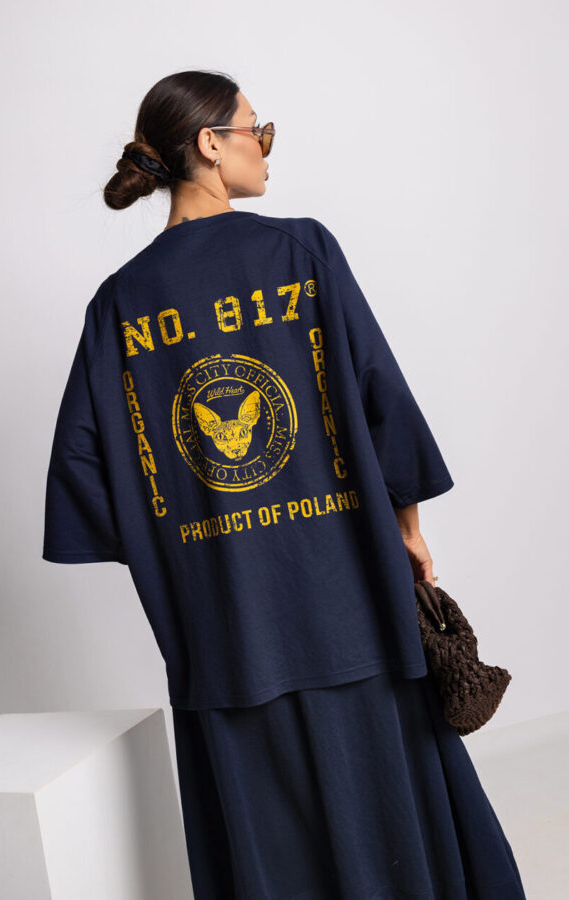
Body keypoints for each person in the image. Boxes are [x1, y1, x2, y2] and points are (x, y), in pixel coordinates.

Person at [42, 69, 527, 899]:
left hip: (223, 626)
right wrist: (408, 531)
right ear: (210, 144)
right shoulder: (301, 250)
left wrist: (186, 545)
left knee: (267, 842)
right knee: (395, 805)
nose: (266, 150)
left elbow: (84, 472)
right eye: (256, 131)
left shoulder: (118, 305)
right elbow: (378, 395)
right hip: (347, 595)